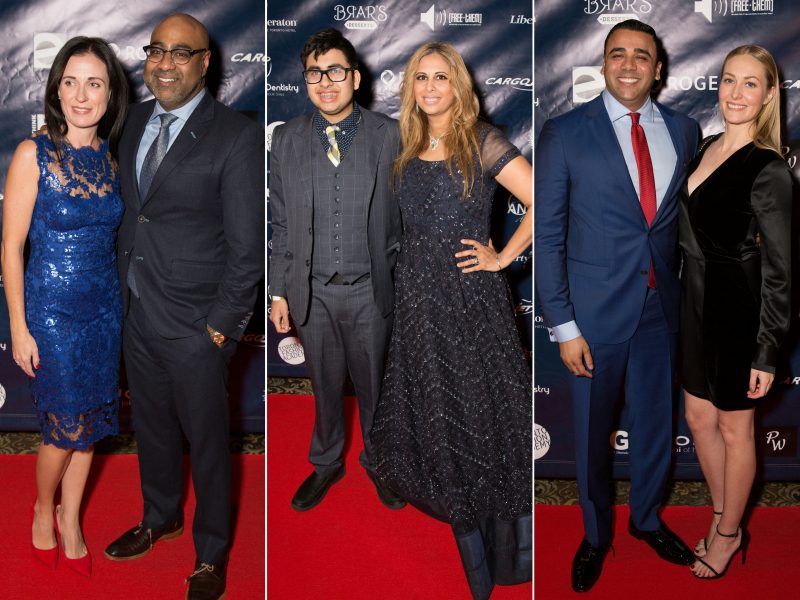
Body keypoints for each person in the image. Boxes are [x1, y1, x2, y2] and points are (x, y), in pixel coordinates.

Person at [535, 19, 701, 592]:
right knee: (591, 433)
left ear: (659, 68)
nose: (629, 64)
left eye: (641, 55)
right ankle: (595, 534)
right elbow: (549, 234)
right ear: (604, 64)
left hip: (662, 310)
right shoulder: (564, 132)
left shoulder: (684, 130)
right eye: (617, 54)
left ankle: (648, 520)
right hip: (592, 314)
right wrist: (563, 324)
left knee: (657, 425)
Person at [102, 14, 264, 600]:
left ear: (204, 63)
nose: (164, 64)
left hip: (198, 324)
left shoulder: (235, 135)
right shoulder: (134, 118)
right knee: (151, 427)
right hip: (136, 310)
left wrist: (220, 328)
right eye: (156, 51)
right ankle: (160, 515)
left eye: (180, 53)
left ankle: (212, 551)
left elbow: (247, 250)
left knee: (207, 440)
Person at [369, 41, 532, 600]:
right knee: (437, 404)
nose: (431, 88)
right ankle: (459, 510)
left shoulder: (482, 141)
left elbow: (543, 201)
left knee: (479, 407)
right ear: (410, 86)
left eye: (441, 77)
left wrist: (504, 256)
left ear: (458, 84)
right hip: (417, 293)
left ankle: (501, 549)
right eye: (421, 78)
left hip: (469, 295)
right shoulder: (408, 142)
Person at [1, 36, 128, 577]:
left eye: (94, 83)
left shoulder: (111, 159)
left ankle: (72, 517)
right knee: (62, 428)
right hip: (51, 316)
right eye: (71, 82)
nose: (82, 95)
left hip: (105, 312)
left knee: (93, 425)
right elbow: (10, 248)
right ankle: (41, 504)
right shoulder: (34, 154)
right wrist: (20, 327)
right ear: (56, 88)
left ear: (108, 94)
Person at [268, 28, 405, 512]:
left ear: (356, 77)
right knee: (323, 385)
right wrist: (279, 292)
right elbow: (280, 222)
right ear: (305, 81)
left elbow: (408, 217)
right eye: (314, 73)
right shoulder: (285, 139)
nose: (325, 82)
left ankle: (381, 462)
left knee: (376, 388)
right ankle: (326, 463)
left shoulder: (391, 135)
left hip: (372, 290)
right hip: (312, 293)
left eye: (335, 71)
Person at [680, 45, 792, 580]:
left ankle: (727, 534)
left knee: (734, 429)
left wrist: (767, 351)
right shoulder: (703, 148)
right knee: (698, 418)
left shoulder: (768, 169)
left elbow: (782, 271)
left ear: (769, 95)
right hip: (693, 302)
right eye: (729, 80)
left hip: (738, 310)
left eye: (751, 84)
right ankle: (724, 514)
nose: (737, 93)